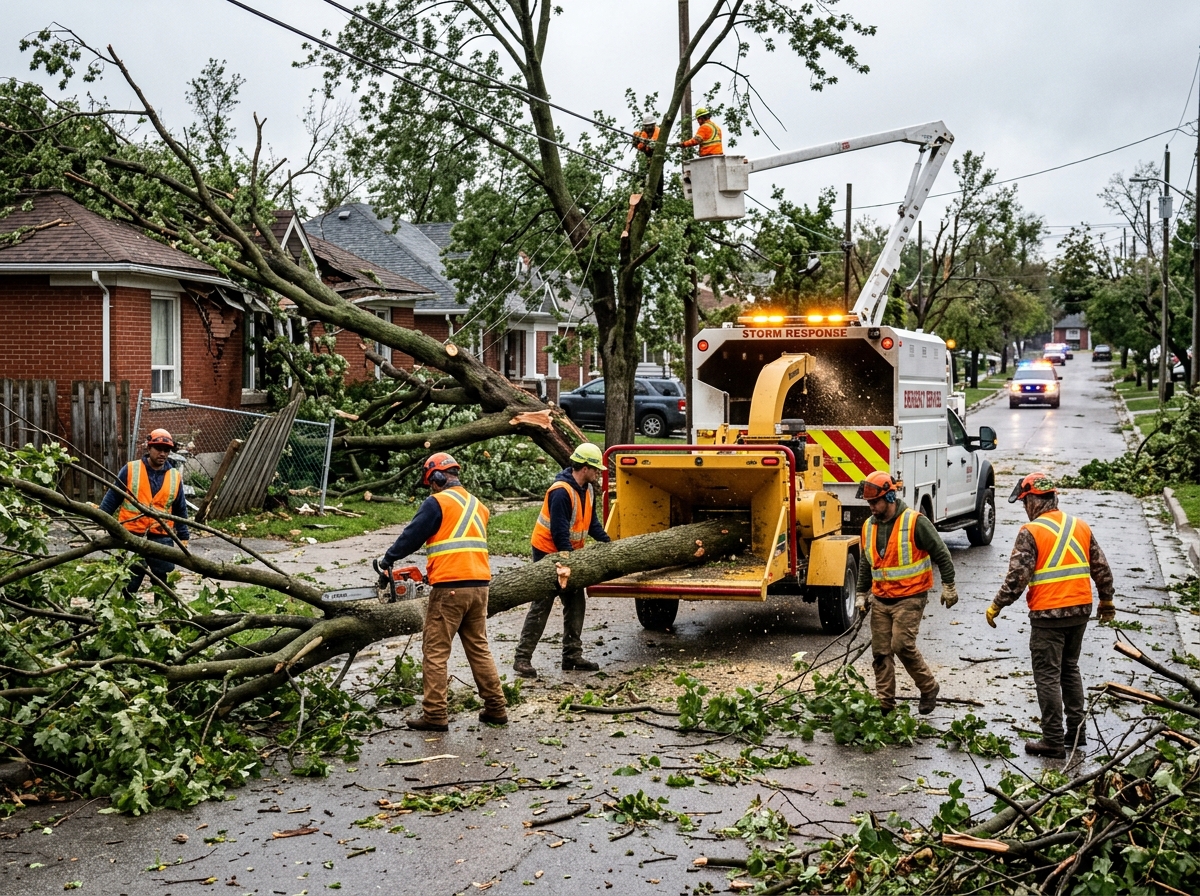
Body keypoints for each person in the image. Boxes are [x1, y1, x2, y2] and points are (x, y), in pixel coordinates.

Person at [986, 472, 1116, 758]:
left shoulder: (1030, 532)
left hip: (1049, 614)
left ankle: (1053, 741)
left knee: (1047, 675)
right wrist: (1106, 600)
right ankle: (1076, 733)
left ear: (1033, 500)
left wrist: (997, 605)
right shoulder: (1079, 526)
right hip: (1080, 611)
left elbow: (1017, 578)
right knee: (1070, 669)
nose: (1024, 508)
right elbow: (1101, 567)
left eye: (1024, 503)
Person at [377, 452, 508, 732]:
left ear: (436, 477)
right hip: (480, 586)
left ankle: (435, 714)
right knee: (479, 648)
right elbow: (458, 544)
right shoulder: (479, 505)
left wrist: (388, 559)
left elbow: (412, 535)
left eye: (430, 482)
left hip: (450, 590)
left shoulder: (437, 502)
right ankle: (496, 707)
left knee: (435, 651)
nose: (431, 487)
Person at [854, 472, 958, 715]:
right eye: (868, 503)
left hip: (911, 597)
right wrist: (861, 593)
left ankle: (928, 686)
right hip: (881, 598)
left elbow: (941, 553)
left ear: (890, 496)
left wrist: (949, 586)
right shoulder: (869, 526)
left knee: (901, 644)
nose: (872, 508)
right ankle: (885, 705)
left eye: (875, 503)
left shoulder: (915, 522)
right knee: (881, 653)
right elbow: (866, 562)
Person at [513, 443, 611, 678]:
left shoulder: (587, 489)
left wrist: (609, 544)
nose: (598, 473)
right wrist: (567, 561)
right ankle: (522, 658)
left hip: (570, 554)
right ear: (584, 467)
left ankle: (572, 655)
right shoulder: (561, 491)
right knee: (542, 604)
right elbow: (559, 532)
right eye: (596, 469)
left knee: (576, 603)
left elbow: (592, 523)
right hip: (548, 553)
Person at [99, 429, 189, 597]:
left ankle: (164, 614)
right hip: (131, 535)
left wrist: (183, 536)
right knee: (130, 578)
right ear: (149, 448)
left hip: (161, 535)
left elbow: (180, 508)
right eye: (158, 448)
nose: (162, 453)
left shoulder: (175, 476)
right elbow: (111, 499)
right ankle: (126, 612)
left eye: (166, 450)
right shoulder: (131, 469)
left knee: (164, 580)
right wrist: (103, 521)